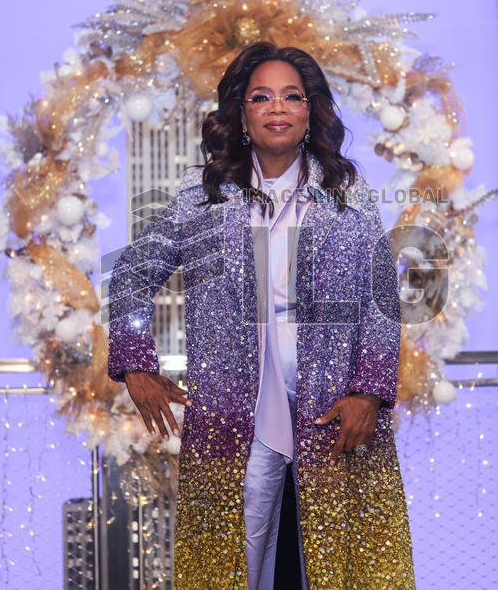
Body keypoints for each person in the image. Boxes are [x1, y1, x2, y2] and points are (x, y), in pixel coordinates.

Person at [107, 41, 415, 589]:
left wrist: (369, 392)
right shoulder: (203, 196)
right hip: (234, 412)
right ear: (242, 114)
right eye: (261, 97)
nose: (277, 107)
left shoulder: (348, 195)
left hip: (332, 408)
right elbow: (132, 273)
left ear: (309, 112)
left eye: (292, 96)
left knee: (338, 561)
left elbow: (381, 300)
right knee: (229, 563)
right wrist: (136, 365)